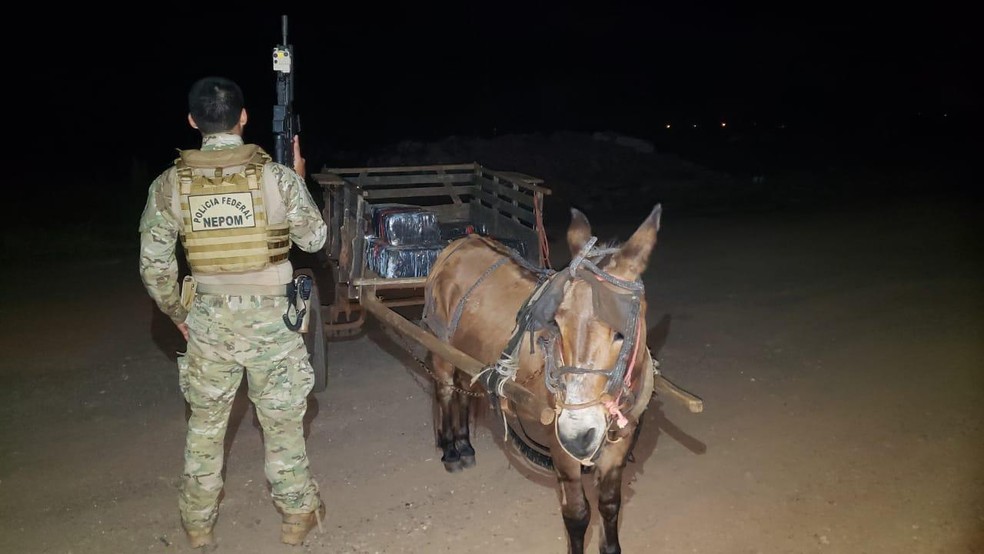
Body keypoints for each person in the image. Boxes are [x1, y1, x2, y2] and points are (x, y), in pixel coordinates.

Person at [138, 76, 327, 548]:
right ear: (244, 118)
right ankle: (296, 516)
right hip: (271, 324)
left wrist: (175, 312)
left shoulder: (170, 185)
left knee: (205, 427)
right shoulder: (276, 177)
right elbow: (315, 240)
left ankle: (198, 526)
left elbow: (154, 265)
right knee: (281, 423)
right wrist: (298, 181)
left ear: (192, 121)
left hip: (208, 323)